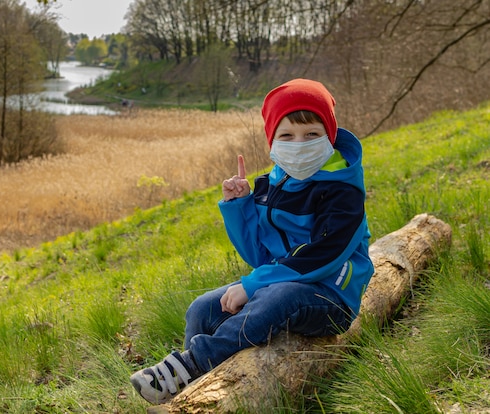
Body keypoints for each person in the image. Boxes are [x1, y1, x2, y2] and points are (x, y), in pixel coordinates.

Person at [129, 78, 375, 404]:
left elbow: (322, 256)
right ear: (273, 140)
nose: (299, 144)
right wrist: (239, 207)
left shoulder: (343, 190)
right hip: (281, 283)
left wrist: (253, 285)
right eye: (287, 135)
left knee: (277, 299)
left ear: (329, 136)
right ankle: (191, 395)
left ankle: (191, 364)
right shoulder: (272, 186)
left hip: (333, 295)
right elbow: (261, 255)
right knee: (202, 309)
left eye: (311, 135)